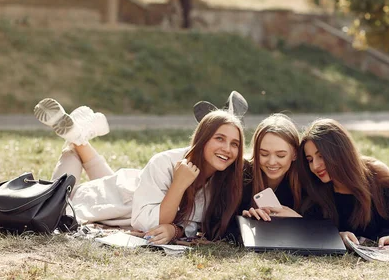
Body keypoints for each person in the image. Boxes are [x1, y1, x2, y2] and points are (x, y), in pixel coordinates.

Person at [33, 93, 246, 244]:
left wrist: (176, 229)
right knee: (54, 201)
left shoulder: (222, 180)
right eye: (219, 138)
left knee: (112, 181)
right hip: (111, 199)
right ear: (202, 139)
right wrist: (179, 184)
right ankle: (76, 139)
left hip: (132, 190)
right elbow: (146, 222)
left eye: (234, 144)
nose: (227, 149)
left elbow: (194, 222)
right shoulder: (165, 162)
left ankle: (79, 136)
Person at [297, 119, 389, 249]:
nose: (315, 166)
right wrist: (337, 236)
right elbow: (312, 228)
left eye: (321, 156)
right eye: (309, 160)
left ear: (339, 152)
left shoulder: (377, 174)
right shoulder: (315, 186)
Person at [240, 114, 302, 221]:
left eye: (280, 155)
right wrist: (244, 220)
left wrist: (297, 219)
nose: (272, 162)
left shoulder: (305, 182)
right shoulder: (242, 175)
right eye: (264, 154)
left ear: (295, 154)